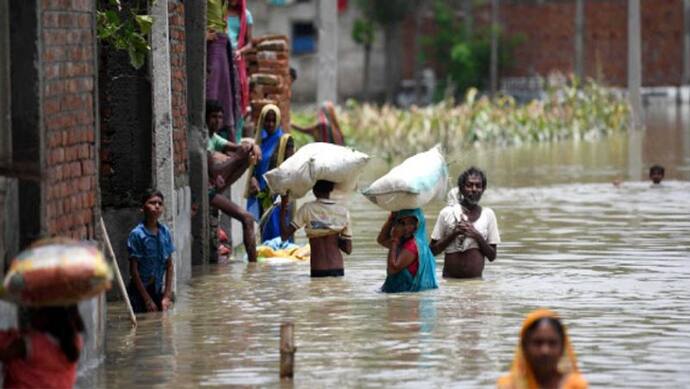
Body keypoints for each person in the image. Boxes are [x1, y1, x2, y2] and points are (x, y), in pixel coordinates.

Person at [430, 167, 500, 278]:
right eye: (469, 185)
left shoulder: (488, 215)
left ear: (483, 189)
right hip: (450, 284)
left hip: (476, 286)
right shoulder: (447, 213)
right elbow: (432, 251)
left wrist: (476, 235)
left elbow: (492, 256)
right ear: (461, 188)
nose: (474, 189)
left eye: (478, 186)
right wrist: (454, 233)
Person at [497, 309, 588, 389]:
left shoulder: (576, 386)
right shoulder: (509, 386)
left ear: (562, 347)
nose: (545, 351)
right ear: (524, 347)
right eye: (537, 342)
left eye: (552, 343)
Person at [279, 180, 352, 277]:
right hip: (337, 268)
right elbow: (348, 249)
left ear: (313, 190)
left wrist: (283, 207)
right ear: (331, 189)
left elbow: (284, 235)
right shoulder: (343, 211)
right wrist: (333, 235)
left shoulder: (307, 208)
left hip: (318, 269)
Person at [0, 306, 85, 388]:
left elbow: (4, 354)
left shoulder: (33, 343)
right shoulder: (74, 340)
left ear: (46, 317)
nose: (31, 314)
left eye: (35, 310)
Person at [127, 189, 175, 313]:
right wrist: (147, 300)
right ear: (143, 208)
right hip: (139, 292)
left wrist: (167, 296)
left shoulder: (165, 232)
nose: (157, 206)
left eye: (160, 203)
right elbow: (134, 271)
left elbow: (169, 266)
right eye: (152, 203)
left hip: (157, 289)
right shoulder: (137, 235)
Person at [246, 104, 291, 224]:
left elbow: (290, 168)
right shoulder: (259, 142)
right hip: (262, 192)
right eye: (267, 120)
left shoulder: (285, 141)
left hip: (279, 194)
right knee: (265, 227)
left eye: (273, 120)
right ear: (262, 121)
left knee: (279, 227)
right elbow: (254, 167)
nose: (270, 124)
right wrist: (253, 178)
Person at [377, 209, 438, 293]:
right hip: (401, 295)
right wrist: (391, 219)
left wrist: (395, 239)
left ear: (418, 225)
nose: (406, 228)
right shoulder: (404, 242)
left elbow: (392, 269)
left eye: (411, 223)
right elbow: (381, 240)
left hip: (406, 299)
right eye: (402, 223)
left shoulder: (412, 245)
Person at [206, 0, 241, 132]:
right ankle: (209, 130)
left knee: (227, 90)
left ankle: (228, 132)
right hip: (212, 44)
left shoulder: (224, 3)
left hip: (222, 43)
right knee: (211, 90)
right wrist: (203, 34)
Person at [226, 0, 251, 115]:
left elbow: (249, 43)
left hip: (237, 57)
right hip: (223, 51)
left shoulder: (246, 16)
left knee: (238, 89)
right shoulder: (221, 12)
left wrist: (240, 51)